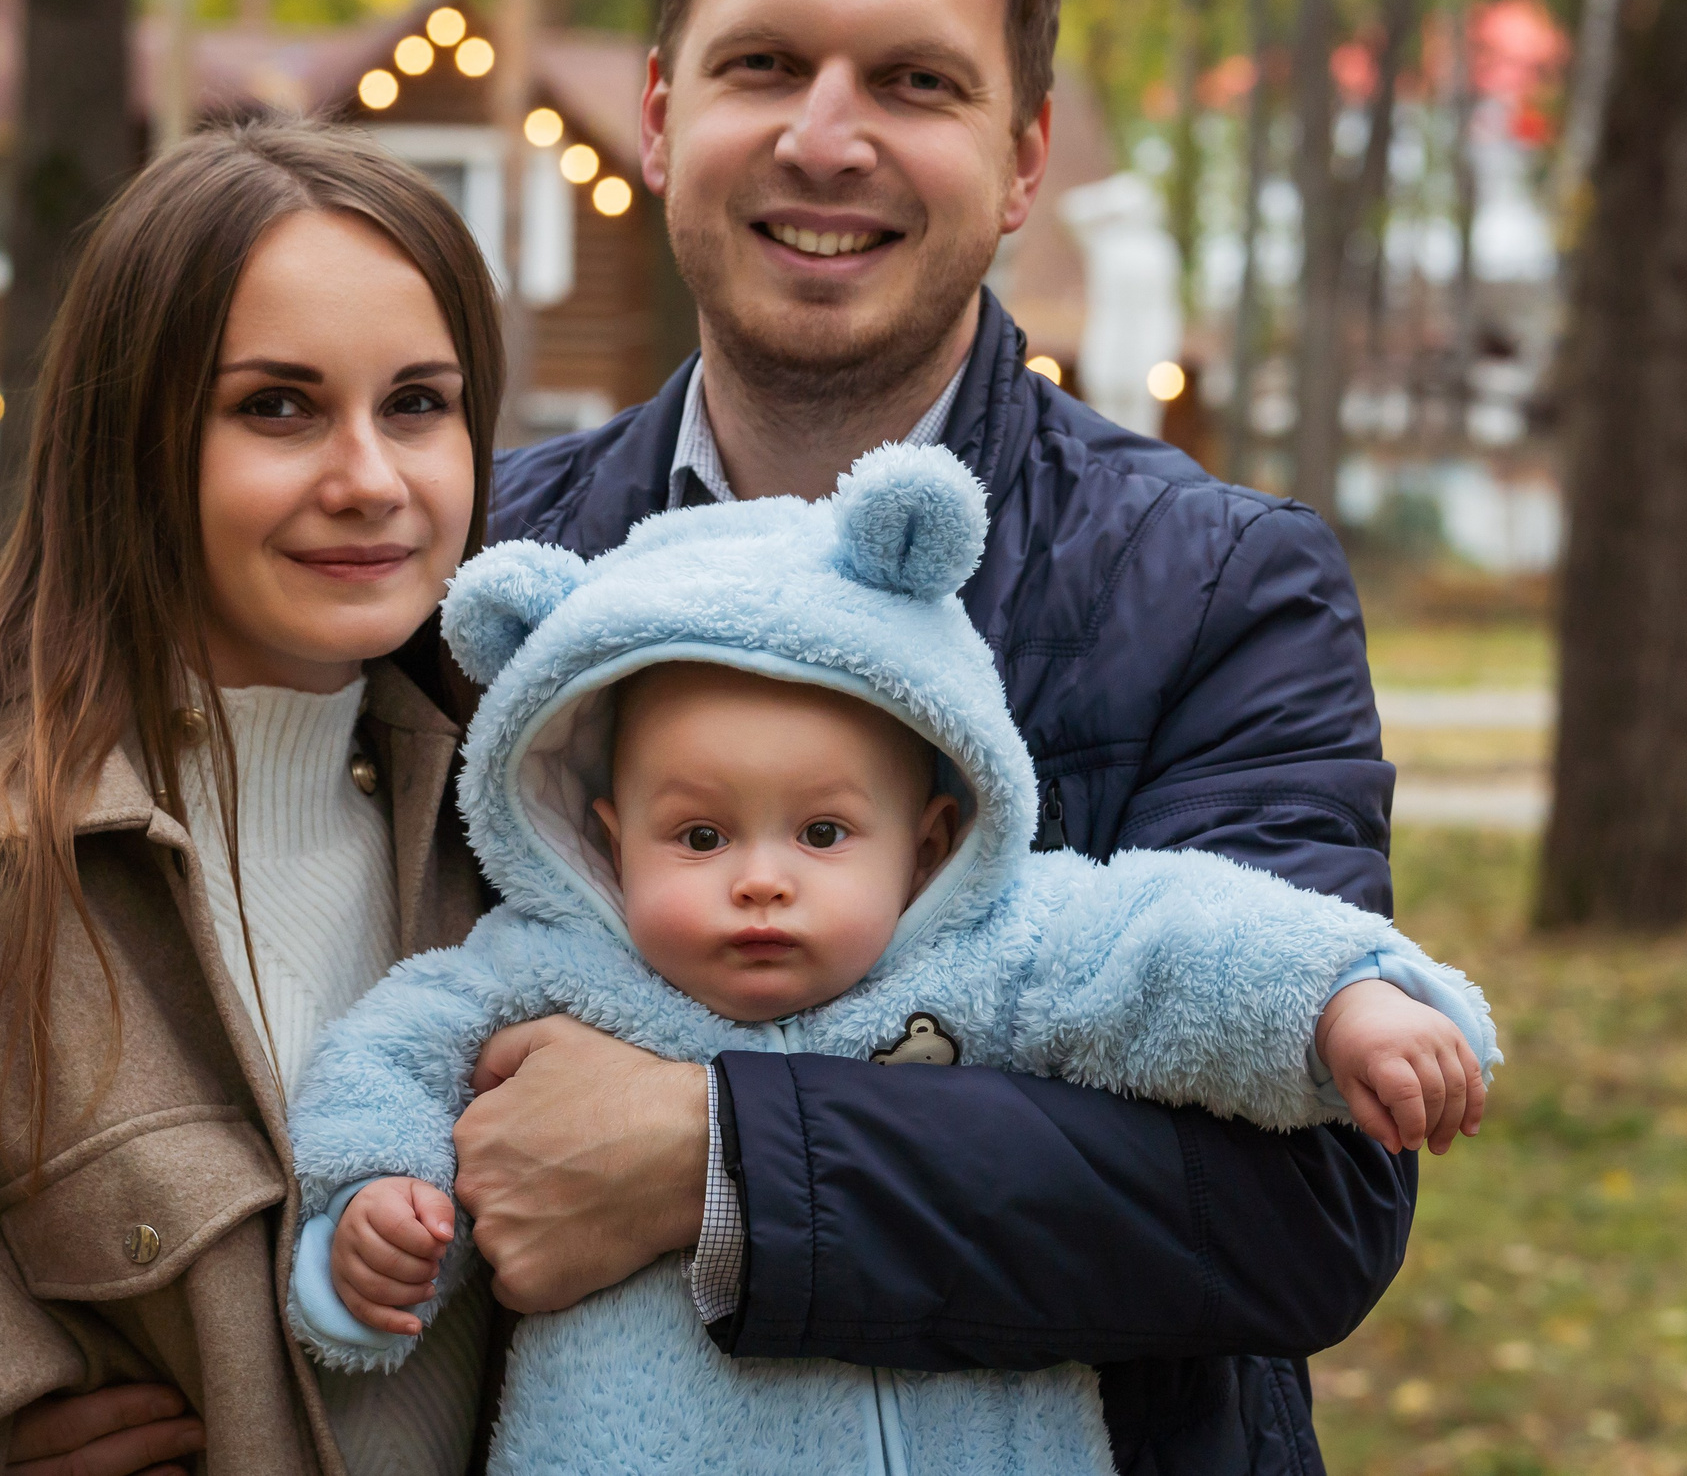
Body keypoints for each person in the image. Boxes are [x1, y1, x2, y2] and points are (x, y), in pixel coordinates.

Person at [458, 0, 1417, 1471]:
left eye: (915, 81)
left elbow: (1307, 1195)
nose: (828, 140)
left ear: (1026, 155)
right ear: (666, 117)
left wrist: (716, 1153)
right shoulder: (485, 569)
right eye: (765, 67)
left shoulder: (1218, 589)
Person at [276, 449, 1493, 1473]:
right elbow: (387, 1053)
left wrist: (1341, 1001)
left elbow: (1175, 945)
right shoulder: (538, 970)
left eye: (822, 834)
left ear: (931, 841)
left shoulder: (992, 949)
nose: (761, 878)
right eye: (698, 836)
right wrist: (370, 1216)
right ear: (599, 839)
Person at [0, 121, 509, 1476]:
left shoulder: (538, 849)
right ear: (136, 444)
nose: (371, 477)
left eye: (418, 402)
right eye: (278, 406)